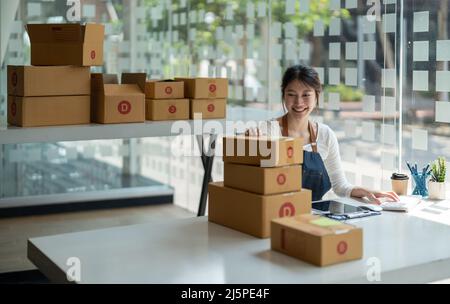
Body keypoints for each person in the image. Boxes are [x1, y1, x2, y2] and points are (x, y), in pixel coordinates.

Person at [247, 64, 399, 204]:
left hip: (315, 215)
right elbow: (252, 183)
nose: (299, 102)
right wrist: (250, 145)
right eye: (291, 94)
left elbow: (339, 186)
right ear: (283, 95)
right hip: (278, 212)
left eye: (306, 95)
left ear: (317, 96)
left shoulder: (325, 135)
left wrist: (367, 191)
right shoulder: (267, 131)